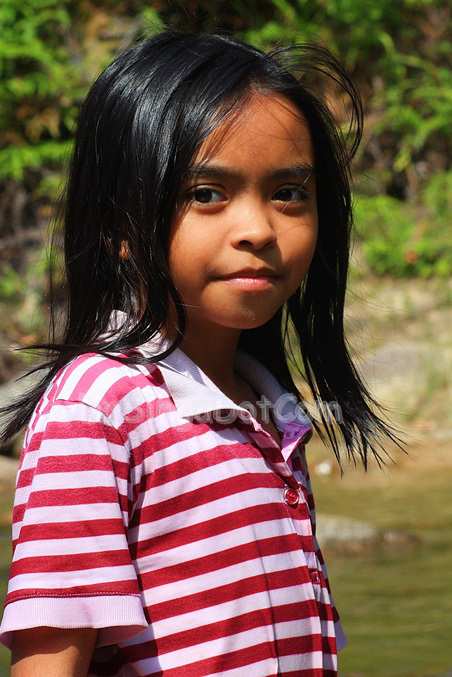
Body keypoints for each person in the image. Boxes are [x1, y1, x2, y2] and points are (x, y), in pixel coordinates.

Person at [0, 30, 401, 676]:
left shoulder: (269, 408)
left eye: (289, 192)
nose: (258, 230)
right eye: (207, 194)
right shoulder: (97, 411)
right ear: (119, 226)